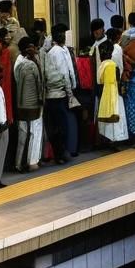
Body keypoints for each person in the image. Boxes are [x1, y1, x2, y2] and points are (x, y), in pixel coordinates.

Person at [44, 26, 77, 164]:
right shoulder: (59, 52)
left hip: (54, 94)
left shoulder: (55, 51)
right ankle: (61, 154)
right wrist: (70, 93)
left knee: (56, 126)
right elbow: (64, 73)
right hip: (60, 94)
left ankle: (60, 153)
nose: (63, 36)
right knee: (61, 126)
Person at [14, 38, 43, 173]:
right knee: (32, 132)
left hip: (20, 104)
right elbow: (38, 83)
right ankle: (30, 161)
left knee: (23, 133)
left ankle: (19, 162)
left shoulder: (18, 61)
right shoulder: (28, 64)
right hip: (32, 104)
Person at [96, 39, 128, 148]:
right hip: (114, 96)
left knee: (106, 123)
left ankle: (108, 140)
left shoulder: (101, 65)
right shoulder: (112, 65)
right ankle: (115, 141)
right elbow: (116, 83)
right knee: (116, 120)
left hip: (103, 96)